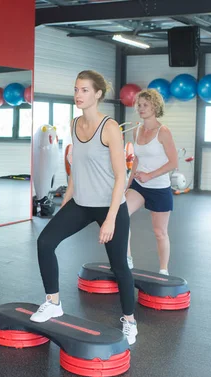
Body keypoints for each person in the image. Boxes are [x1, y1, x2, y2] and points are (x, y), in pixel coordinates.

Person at [30, 70, 138, 345]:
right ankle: (53, 301)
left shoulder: (110, 127)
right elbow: (77, 164)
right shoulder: (75, 123)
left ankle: (129, 320)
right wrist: (69, 194)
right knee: (45, 242)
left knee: (119, 267)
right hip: (81, 203)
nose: (78, 95)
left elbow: (120, 177)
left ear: (98, 94)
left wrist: (111, 219)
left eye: (85, 90)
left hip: (109, 205)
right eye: (76, 89)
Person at [125, 89, 178, 275]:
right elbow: (137, 160)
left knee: (160, 232)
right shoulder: (137, 130)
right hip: (139, 186)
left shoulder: (163, 132)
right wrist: (128, 182)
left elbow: (173, 162)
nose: (141, 108)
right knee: (120, 215)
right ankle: (127, 259)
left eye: (145, 105)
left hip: (159, 187)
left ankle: (163, 270)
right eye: (139, 105)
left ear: (155, 107)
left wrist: (150, 175)